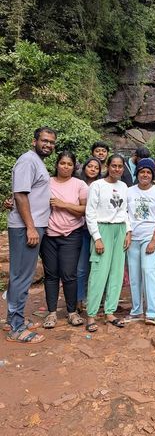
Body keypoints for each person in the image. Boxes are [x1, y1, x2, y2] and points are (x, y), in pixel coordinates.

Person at [6, 126, 57, 344]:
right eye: (44, 140)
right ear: (34, 141)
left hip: (32, 225)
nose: (48, 145)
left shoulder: (36, 161)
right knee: (22, 276)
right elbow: (20, 195)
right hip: (26, 227)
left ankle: (14, 319)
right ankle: (16, 328)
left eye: (51, 142)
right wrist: (30, 227)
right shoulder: (28, 160)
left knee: (20, 275)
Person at [40, 151, 88, 329]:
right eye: (62, 163)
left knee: (69, 275)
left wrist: (64, 204)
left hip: (71, 234)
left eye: (69, 164)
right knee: (51, 275)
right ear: (57, 164)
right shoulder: (47, 182)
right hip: (49, 235)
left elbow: (84, 209)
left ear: (74, 166)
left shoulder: (79, 184)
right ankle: (51, 313)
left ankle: (71, 312)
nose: (65, 166)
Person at [85, 154, 132, 332]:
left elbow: (125, 210)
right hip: (102, 229)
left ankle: (110, 312)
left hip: (119, 230)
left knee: (116, 273)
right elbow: (90, 213)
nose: (117, 169)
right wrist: (97, 237)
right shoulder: (97, 185)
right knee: (98, 272)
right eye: (114, 166)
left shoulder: (124, 186)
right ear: (108, 166)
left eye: (120, 166)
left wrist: (128, 231)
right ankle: (91, 314)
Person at [126, 158, 155, 325]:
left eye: (148, 172)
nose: (145, 174)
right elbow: (124, 213)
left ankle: (151, 312)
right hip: (132, 238)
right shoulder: (129, 191)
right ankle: (136, 310)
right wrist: (128, 233)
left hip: (150, 237)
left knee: (148, 271)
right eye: (142, 171)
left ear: (152, 175)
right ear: (137, 173)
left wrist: (154, 240)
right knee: (134, 275)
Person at [76, 157, 102, 311]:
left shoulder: (102, 185)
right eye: (90, 166)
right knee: (81, 267)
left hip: (100, 231)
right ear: (84, 168)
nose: (93, 169)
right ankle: (79, 299)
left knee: (98, 267)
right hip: (82, 230)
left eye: (96, 167)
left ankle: (95, 299)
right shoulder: (78, 184)